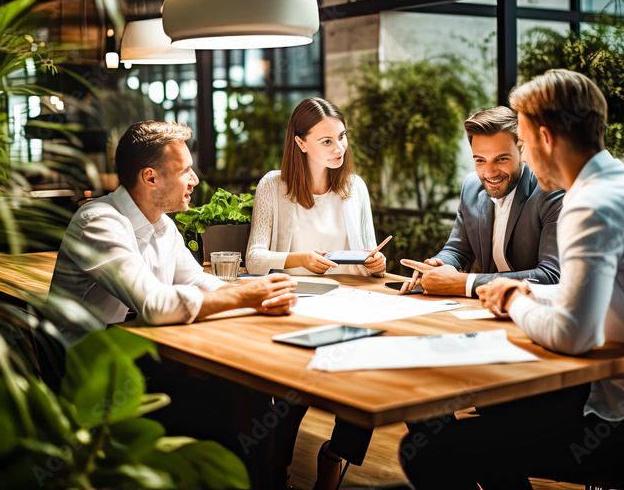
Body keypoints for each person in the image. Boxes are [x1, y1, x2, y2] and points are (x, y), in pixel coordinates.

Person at [400, 70, 624, 489]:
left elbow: (573, 334)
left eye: (523, 145)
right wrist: (531, 291)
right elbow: (594, 291)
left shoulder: (588, 204)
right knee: (498, 415)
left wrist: (514, 300)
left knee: (425, 449)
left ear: (545, 138)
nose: (524, 158)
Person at [49, 121, 300, 489]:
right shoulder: (99, 222)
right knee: (233, 406)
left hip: (140, 360)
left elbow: (200, 282)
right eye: (185, 171)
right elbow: (152, 305)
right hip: (94, 380)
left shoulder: (163, 225)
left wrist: (260, 298)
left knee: (256, 395)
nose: (195, 179)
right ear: (150, 177)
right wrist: (246, 295)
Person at [400, 106, 562, 297]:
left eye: (501, 159)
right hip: (487, 309)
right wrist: (439, 265)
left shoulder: (550, 191)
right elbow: (457, 250)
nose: (489, 172)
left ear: (521, 152)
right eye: (480, 160)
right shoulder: (471, 187)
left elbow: (551, 276)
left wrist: (464, 283)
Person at [246, 97, 386, 277]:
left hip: (350, 293)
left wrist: (378, 265)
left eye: (341, 137)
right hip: (294, 295)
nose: (339, 148)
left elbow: (372, 258)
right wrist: (301, 259)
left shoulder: (355, 186)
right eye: (327, 141)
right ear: (301, 143)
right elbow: (254, 260)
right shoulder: (272, 186)